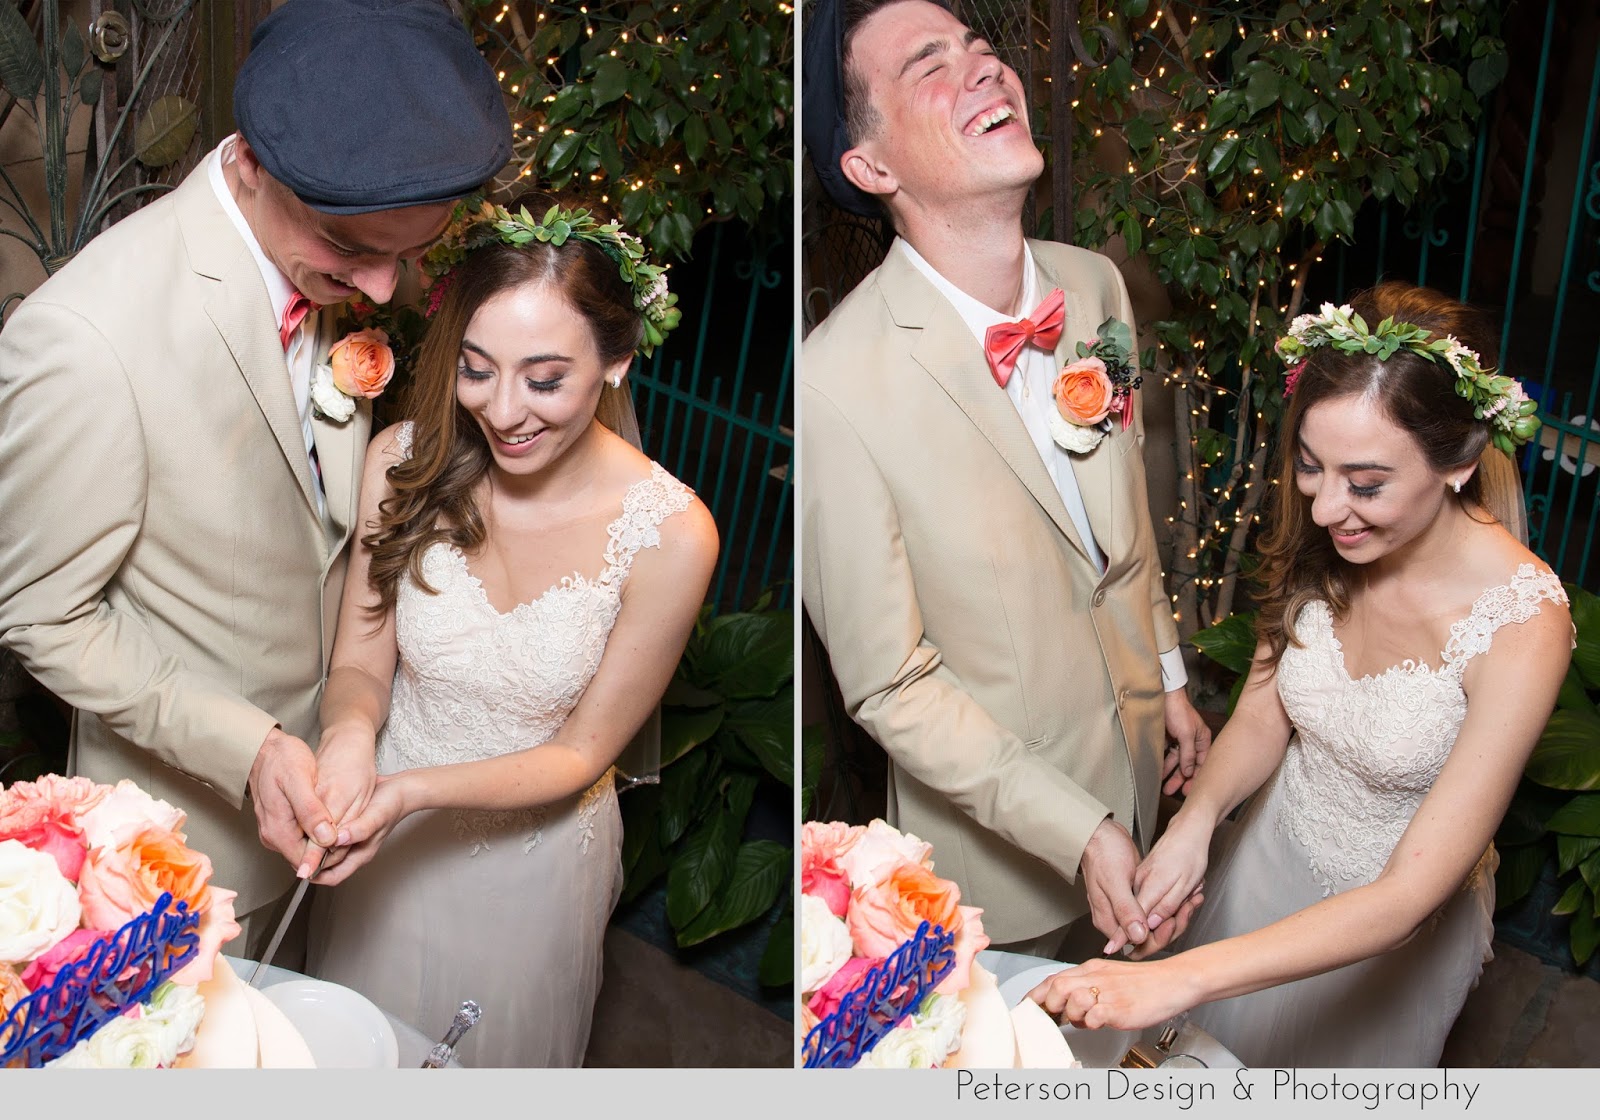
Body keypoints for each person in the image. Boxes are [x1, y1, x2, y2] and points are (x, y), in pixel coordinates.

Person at [0, 0, 512, 953]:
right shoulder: (86, 342)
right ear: (248, 163)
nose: (383, 293)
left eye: (411, 254)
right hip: (175, 845)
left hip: (337, 799)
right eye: (354, 251)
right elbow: (40, 612)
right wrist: (249, 750)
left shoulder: (335, 267)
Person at [1029, 282, 1571, 1068]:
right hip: (1269, 860)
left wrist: (1180, 981)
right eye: (1312, 467)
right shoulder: (1332, 538)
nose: (1323, 510)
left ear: (1459, 461)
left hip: (1385, 937)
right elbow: (1262, 712)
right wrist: (1198, 819)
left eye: (1367, 483)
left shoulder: (1523, 624)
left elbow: (1404, 900)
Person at [800, 0, 1210, 960]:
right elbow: (892, 683)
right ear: (873, 167)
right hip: (995, 877)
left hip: (1145, 778)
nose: (985, 67)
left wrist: (1172, 679)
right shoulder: (833, 384)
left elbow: (1126, 532)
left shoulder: (1095, 286)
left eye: (983, 48)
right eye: (930, 64)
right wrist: (1074, 828)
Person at [303, 195, 718, 1067]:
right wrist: (347, 740)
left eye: (544, 378)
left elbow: (580, 754)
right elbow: (361, 665)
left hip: (533, 866)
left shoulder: (672, 533)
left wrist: (413, 793)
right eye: (476, 368)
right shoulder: (402, 460)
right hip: (379, 830)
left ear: (616, 360)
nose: (501, 410)